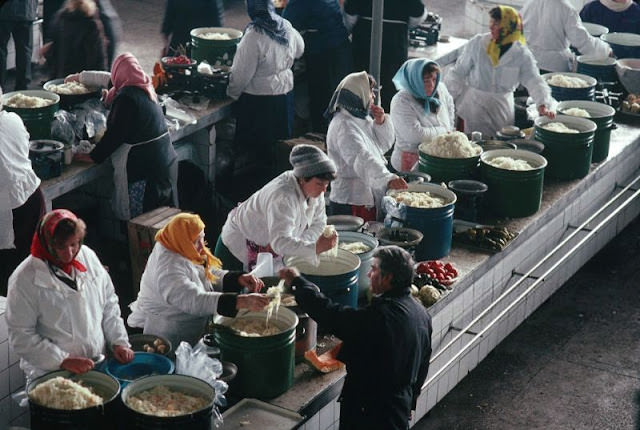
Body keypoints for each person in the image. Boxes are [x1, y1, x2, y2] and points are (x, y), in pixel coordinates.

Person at [279, 245, 433, 430]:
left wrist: (297, 282)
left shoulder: (380, 317)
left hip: (369, 414)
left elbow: (331, 314)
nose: (368, 275)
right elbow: (423, 364)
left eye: (374, 269)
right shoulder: (421, 313)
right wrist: (411, 401)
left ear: (388, 278)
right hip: (398, 408)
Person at [6, 209, 134, 384]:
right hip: (53, 375)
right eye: (60, 246)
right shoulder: (24, 279)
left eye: (74, 244)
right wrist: (62, 359)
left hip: (97, 364)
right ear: (47, 243)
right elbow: (21, 335)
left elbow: (109, 303)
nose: (69, 253)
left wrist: (118, 341)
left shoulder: (88, 257)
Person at [127, 213, 269, 348]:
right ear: (184, 241)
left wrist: (236, 278)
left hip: (191, 326)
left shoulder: (181, 245)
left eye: (202, 238)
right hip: (170, 333)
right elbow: (193, 299)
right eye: (197, 242)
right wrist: (241, 301)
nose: (202, 247)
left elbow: (204, 273)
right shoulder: (167, 268)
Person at [65, 52, 178, 220]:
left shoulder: (126, 99)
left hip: (140, 169)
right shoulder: (143, 87)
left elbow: (114, 136)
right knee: (158, 219)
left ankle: (134, 244)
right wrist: (78, 77)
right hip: (161, 163)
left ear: (120, 74)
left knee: (140, 219)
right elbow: (109, 79)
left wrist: (92, 156)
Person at [215, 144, 338, 271]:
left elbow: (319, 223)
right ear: (302, 179)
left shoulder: (315, 191)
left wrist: (306, 245)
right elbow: (280, 242)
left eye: (326, 184)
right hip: (237, 248)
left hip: (272, 249)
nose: (324, 189)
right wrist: (314, 248)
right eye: (319, 184)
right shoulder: (283, 197)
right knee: (239, 288)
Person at [444, 6, 556, 138]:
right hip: (474, 106)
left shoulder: (521, 54)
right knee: (471, 144)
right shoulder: (477, 44)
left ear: (508, 27)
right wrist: (445, 100)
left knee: (498, 146)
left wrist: (542, 104)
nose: (491, 26)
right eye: (491, 21)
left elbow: (534, 80)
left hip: (501, 109)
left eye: (496, 23)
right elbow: (458, 73)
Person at [225, 0, 304, 186]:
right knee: (279, 147)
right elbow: (300, 49)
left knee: (257, 153)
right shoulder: (286, 26)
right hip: (284, 98)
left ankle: (255, 190)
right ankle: (278, 184)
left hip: (259, 103)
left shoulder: (254, 34)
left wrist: (231, 94)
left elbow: (240, 74)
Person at [325, 71, 408, 222]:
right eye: (370, 92)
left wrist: (381, 122)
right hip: (351, 200)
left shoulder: (359, 117)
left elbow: (381, 146)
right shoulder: (344, 126)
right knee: (355, 242)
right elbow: (361, 158)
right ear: (359, 94)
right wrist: (387, 178)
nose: (373, 96)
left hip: (366, 193)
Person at [0, 85, 46, 296]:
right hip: (32, 196)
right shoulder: (13, 119)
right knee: (35, 263)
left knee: (14, 274)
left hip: (10, 210)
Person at [283, 0, 353, 133]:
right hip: (341, 49)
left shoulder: (299, 3)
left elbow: (284, 26)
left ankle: (320, 137)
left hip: (322, 52)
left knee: (321, 99)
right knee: (340, 100)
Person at [343, 0, 427, 111]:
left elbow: (349, 16)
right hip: (395, 45)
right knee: (391, 95)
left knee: (361, 92)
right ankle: (386, 123)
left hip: (364, 44)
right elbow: (418, 16)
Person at [389, 58, 455, 172]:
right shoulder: (401, 101)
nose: (431, 85)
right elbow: (415, 135)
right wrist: (445, 131)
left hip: (437, 158)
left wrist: (450, 126)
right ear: (415, 80)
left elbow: (450, 106)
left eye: (434, 79)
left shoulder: (440, 88)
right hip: (411, 160)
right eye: (425, 81)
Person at [522, 0, 612, 73]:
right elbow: (582, 41)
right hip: (553, 68)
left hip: (528, 64)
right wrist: (606, 50)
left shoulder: (529, 3)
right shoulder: (566, 8)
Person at [41, 0, 108, 79]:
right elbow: (99, 58)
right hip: (85, 79)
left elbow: (55, 49)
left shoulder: (62, 18)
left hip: (64, 77)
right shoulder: (91, 23)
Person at [161, 0, 225, 57]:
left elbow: (167, 22)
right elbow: (217, 25)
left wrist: (166, 45)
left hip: (181, 43)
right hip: (201, 44)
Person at [0, 0, 37, 91]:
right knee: (24, 51)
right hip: (26, 9)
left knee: (0, 51)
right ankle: (23, 89)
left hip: (4, 12)